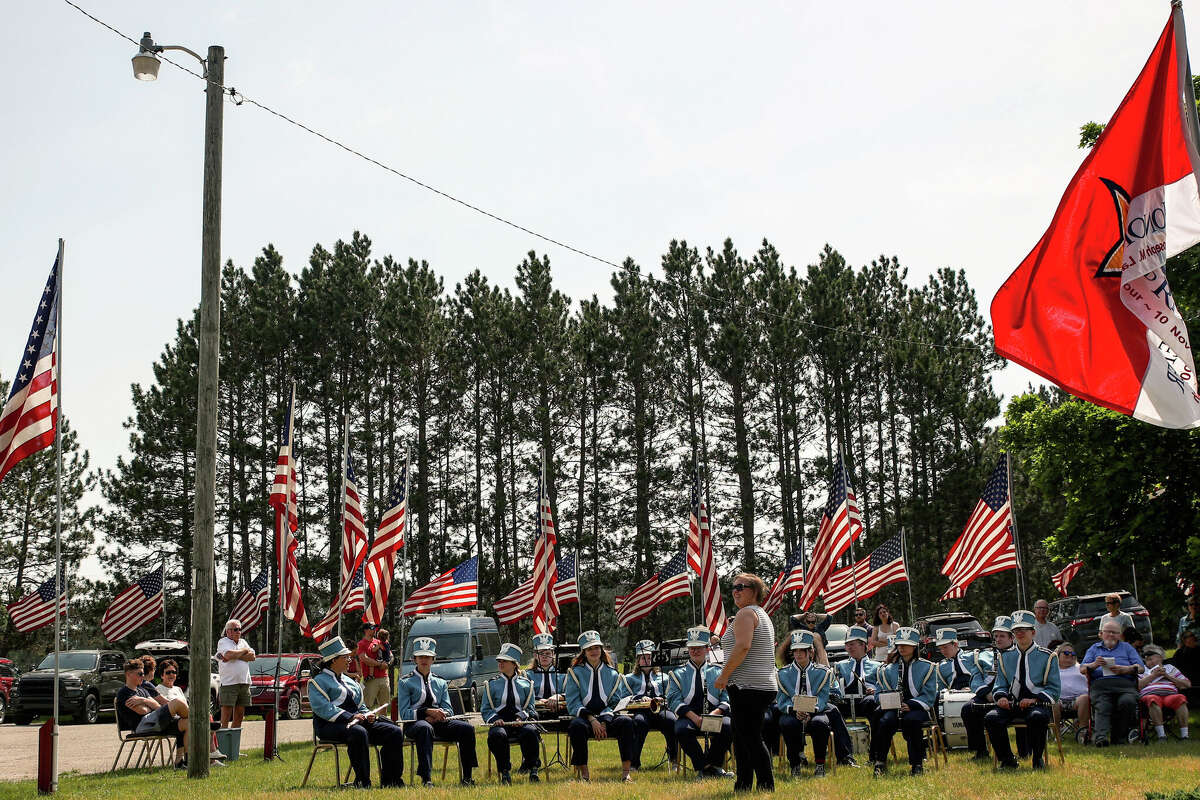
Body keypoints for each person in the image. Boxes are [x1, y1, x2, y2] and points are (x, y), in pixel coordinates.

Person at [308, 635, 405, 788]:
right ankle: (362, 781)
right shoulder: (317, 682)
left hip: (357, 722)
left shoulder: (349, 681)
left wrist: (368, 715)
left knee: (394, 731)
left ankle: (391, 780)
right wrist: (351, 717)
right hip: (329, 726)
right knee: (359, 732)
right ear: (334, 660)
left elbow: (360, 706)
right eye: (346, 657)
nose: (350, 660)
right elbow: (323, 709)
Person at [715, 572, 777, 792]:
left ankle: (766, 785)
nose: (736, 591)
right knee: (742, 737)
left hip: (748, 686)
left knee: (749, 737)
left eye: (741, 587)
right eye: (733, 587)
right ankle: (743, 784)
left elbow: (743, 646)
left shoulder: (746, 614)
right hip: (761, 685)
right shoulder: (761, 614)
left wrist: (724, 675)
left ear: (755, 591)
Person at [396, 636, 478, 786]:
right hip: (415, 724)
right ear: (415, 659)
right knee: (425, 728)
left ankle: (467, 777)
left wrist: (436, 716)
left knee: (467, 729)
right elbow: (405, 713)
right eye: (420, 657)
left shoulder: (440, 682)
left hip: (438, 722)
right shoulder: (405, 682)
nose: (424, 660)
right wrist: (426, 712)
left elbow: (448, 710)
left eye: (428, 657)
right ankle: (426, 778)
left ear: (433, 660)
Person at [986, 610, 1060, 770]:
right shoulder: (1005, 656)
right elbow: (1000, 684)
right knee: (991, 718)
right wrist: (1001, 697)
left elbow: (1054, 689)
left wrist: (1035, 700)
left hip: (1037, 705)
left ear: (1033, 632)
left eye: (1023, 630)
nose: (1019, 634)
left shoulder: (1048, 657)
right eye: (1016, 630)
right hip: (1012, 705)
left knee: (1037, 717)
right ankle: (1007, 760)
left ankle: (1037, 759)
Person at [564, 629, 635, 782]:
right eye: (590, 648)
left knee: (627, 723)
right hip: (585, 719)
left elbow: (616, 702)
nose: (594, 651)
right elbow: (572, 702)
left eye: (596, 647)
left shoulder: (613, 673)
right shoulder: (575, 673)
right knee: (576, 726)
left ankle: (626, 773)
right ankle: (584, 775)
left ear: (601, 649)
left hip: (607, 719)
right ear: (584, 652)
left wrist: (603, 721)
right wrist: (592, 719)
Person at [666, 626, 732, 780]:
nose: (695, 651)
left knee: (728, 726)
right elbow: (674, 700)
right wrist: (695, 718)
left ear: (707, 649)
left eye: (699, 648)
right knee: (681, 730)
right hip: (689, 717)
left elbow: (726, 698)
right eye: (692, 648)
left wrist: (714, 714)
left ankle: (714, 765)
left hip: (714, 715)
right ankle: (703, 767)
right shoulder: (677, 673)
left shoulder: (718, 671)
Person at [869, 626, 937, 777]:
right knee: (885, 721)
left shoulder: (928, 667)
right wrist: (888, 701)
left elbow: (930, 695)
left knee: (912, 721)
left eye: (906, 644)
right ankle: (879, 762)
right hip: (892, 708)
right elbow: (878, 693)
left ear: (914, 646)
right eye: (899, 644)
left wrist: (911, 704)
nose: (902, 647)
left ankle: (917, 764)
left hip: (916, 708)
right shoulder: (886, 669)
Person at [776, 630, 834, 777]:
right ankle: (795, 765)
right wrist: (795, 711)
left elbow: (823, 697)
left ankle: (820, 765)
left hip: (815, 712)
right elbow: (781, 700)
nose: (799, 654)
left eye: (803, 650)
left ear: (811, 652)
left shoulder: (823, 673)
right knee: (789, 724)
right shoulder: (782, 674)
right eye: (796, 650)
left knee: (820, 723)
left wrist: (810, 710)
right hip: (792, 712)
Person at [481, 643, 541, 784]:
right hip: (500, 722)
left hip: (521, 722)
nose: (500, 664)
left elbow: (531, 708)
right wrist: (495, 719)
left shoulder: (527, 684)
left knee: (530, 731)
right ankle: (505, 772)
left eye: (504, 661)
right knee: (497, 735)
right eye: (499, 661)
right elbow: (485, 709)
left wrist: (521, 717)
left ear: (514, 664)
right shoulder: (491, 685)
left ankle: (533, 769)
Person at [613, 639, 678, 771]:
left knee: (671, 721)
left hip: (661, 710)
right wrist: (639, 699)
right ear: (637, 660)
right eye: (643, 658)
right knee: (639, 723)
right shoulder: (629, 678)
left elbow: (671, 696)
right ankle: (634, 762)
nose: (647, 660)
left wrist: (661, 699)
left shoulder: (664, 677)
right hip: (641, 711)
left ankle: (674, 759)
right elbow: (624, 698)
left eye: (649, 657)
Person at [115, 659, 191, 768]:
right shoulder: (124, 693)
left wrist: (144, 700)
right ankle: (202, 723)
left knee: (188, 723)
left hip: (154, 722)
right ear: (128, 674)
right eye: (140, 674)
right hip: (143, 725)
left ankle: (183, 762)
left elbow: (157, 706)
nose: (143, 676)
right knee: (178, 703)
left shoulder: (142, 691)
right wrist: (150, 704)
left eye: (143, 673)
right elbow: (142, 711)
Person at [1081, 617, 1145, 747]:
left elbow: (1141, 668)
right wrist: (1094, 664)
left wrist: (1125, 669)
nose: (1111, 634)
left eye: (1114, 632)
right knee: (1103, 704)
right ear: (1101, 634)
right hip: (1101, 685)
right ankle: (1101, 738)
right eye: (1108, 631)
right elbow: (1082, 669)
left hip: (1125, 685)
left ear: (1120, 635)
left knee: (1127, 702)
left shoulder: (1127, 648)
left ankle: (1119, 738)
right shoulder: (1094, 648)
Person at [932, 627, 991, 759]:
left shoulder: (973, 657)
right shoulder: (941, 666)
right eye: (940, 648)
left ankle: (982, 749)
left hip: (975, 693)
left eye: (945, 647)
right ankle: (942, 739)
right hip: (953, 694)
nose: (942, 651)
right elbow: (941, 688)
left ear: (956, 644)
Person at [1138, 644, 1191, 741]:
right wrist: (1153, 675)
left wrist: (1168, 676)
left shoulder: (1170, 668)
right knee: (1152, 699)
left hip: (1170, 696)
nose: (1147, 661)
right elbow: (1137, 686)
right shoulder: (1142, 670)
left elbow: (1187, 684)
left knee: (1180, 698)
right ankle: (1161, 736)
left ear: (1160, 658)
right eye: (1146, 659)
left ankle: (1185, 736)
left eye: (1150, 658)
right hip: (1150, 696)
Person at [216, 618, 255, 729]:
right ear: (228, 631)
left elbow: (252, 657)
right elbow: (228, 655)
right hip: (229, 683)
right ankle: (223, 743)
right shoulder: (223, 642)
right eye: (236, 629)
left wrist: (235, 655)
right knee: (226, 717)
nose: (239, 632)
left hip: (244, 682)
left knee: (239, 716)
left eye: (240, 629)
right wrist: (244, 652)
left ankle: (233, 743)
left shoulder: (243, 642)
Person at [1054, 642, 1091, 742]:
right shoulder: (1052, 669)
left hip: (1077, 700)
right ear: (1058, 654)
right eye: (1066, 653)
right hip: (1059, 700)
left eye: (1073, 654)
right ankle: (1057, 735)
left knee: (1084, 698)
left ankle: (1082, 733)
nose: (1070, 655)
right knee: (1053, 701)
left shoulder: (1081, 668)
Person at [528, 633, 566, 720]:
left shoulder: (564, 674)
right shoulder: (527, 675)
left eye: (548, 653)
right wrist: (540, 701)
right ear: (535, 655)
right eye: (541, 653)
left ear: (553, 654)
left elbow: (571, 693)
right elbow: (524, 696)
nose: (544, 656)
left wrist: (558, 697)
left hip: (560, 710)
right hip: (535, 711)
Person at [356, 624, 389, 711]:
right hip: (371, 680)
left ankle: (384, 723)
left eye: (375, 628)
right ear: (365, 630)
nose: (374, 630)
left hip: (384, 678)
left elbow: (390, 655)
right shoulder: (361, 643)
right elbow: (364, 658)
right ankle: (366, 724)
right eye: (372, 628)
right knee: (367, 706)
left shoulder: (380, 641)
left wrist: (388, 663)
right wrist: (379, 664)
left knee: (384, 706)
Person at [1169, 629, 1200, 706]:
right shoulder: (1180, 652)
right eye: (1186, 640)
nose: (1189, 641)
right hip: (1185, 679)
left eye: (1191, 638)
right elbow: (1175, 668)